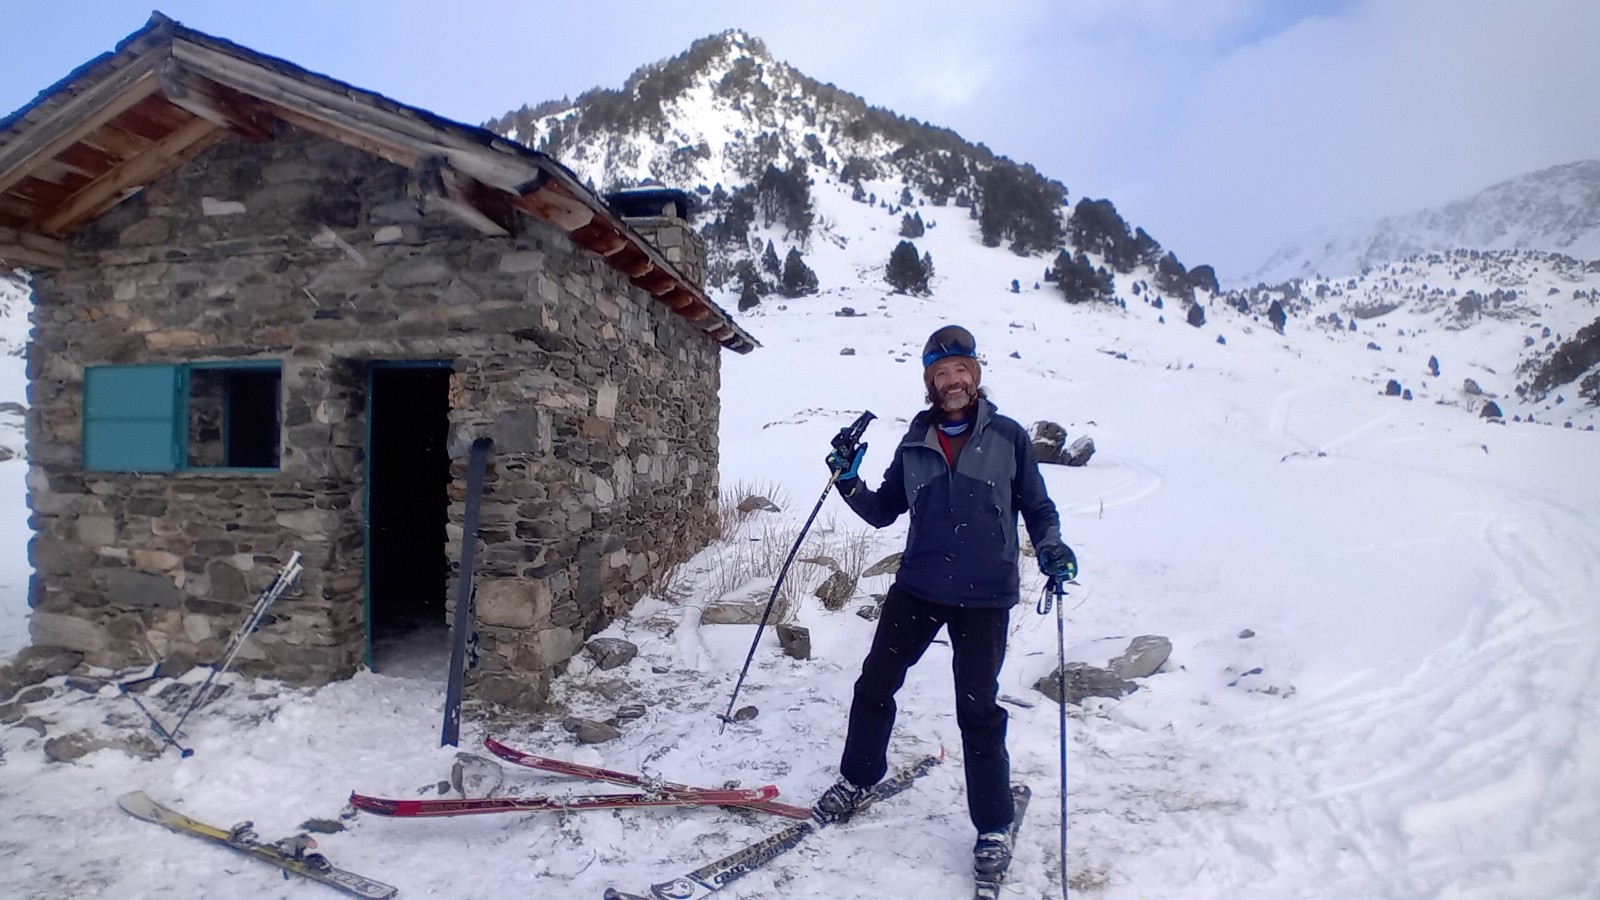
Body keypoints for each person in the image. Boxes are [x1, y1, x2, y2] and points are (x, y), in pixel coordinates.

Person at [814, 324, 1078, 880]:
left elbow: (1037, 507)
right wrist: (848, 481)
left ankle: (993, 825)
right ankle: (858, 779)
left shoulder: (1008, 437)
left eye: (961, 370)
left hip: (985, 596)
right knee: (874, 685)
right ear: (930, 382)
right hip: (920, 586)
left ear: (975, 375)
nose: (953, 381)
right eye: (941, 373)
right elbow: (883, 510)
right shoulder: (914, 444)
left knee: (977, 711)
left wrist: (1051, 546)